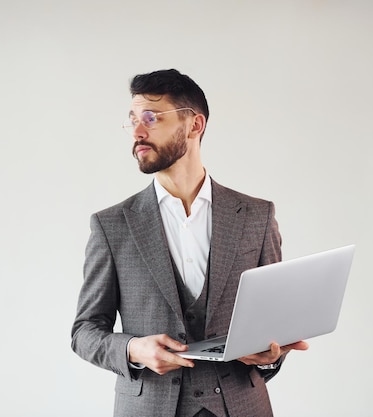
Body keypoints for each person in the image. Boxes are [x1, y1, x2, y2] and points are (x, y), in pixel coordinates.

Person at [71, 69, 308, 417]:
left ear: (194, 125)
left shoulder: (257, 216)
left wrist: (272, 354)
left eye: (151, 118)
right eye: (133, 120)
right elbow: (85, 332)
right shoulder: (112, 226)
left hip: (241, 406)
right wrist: (134, 349)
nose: (137, 131)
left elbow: (271, 323)